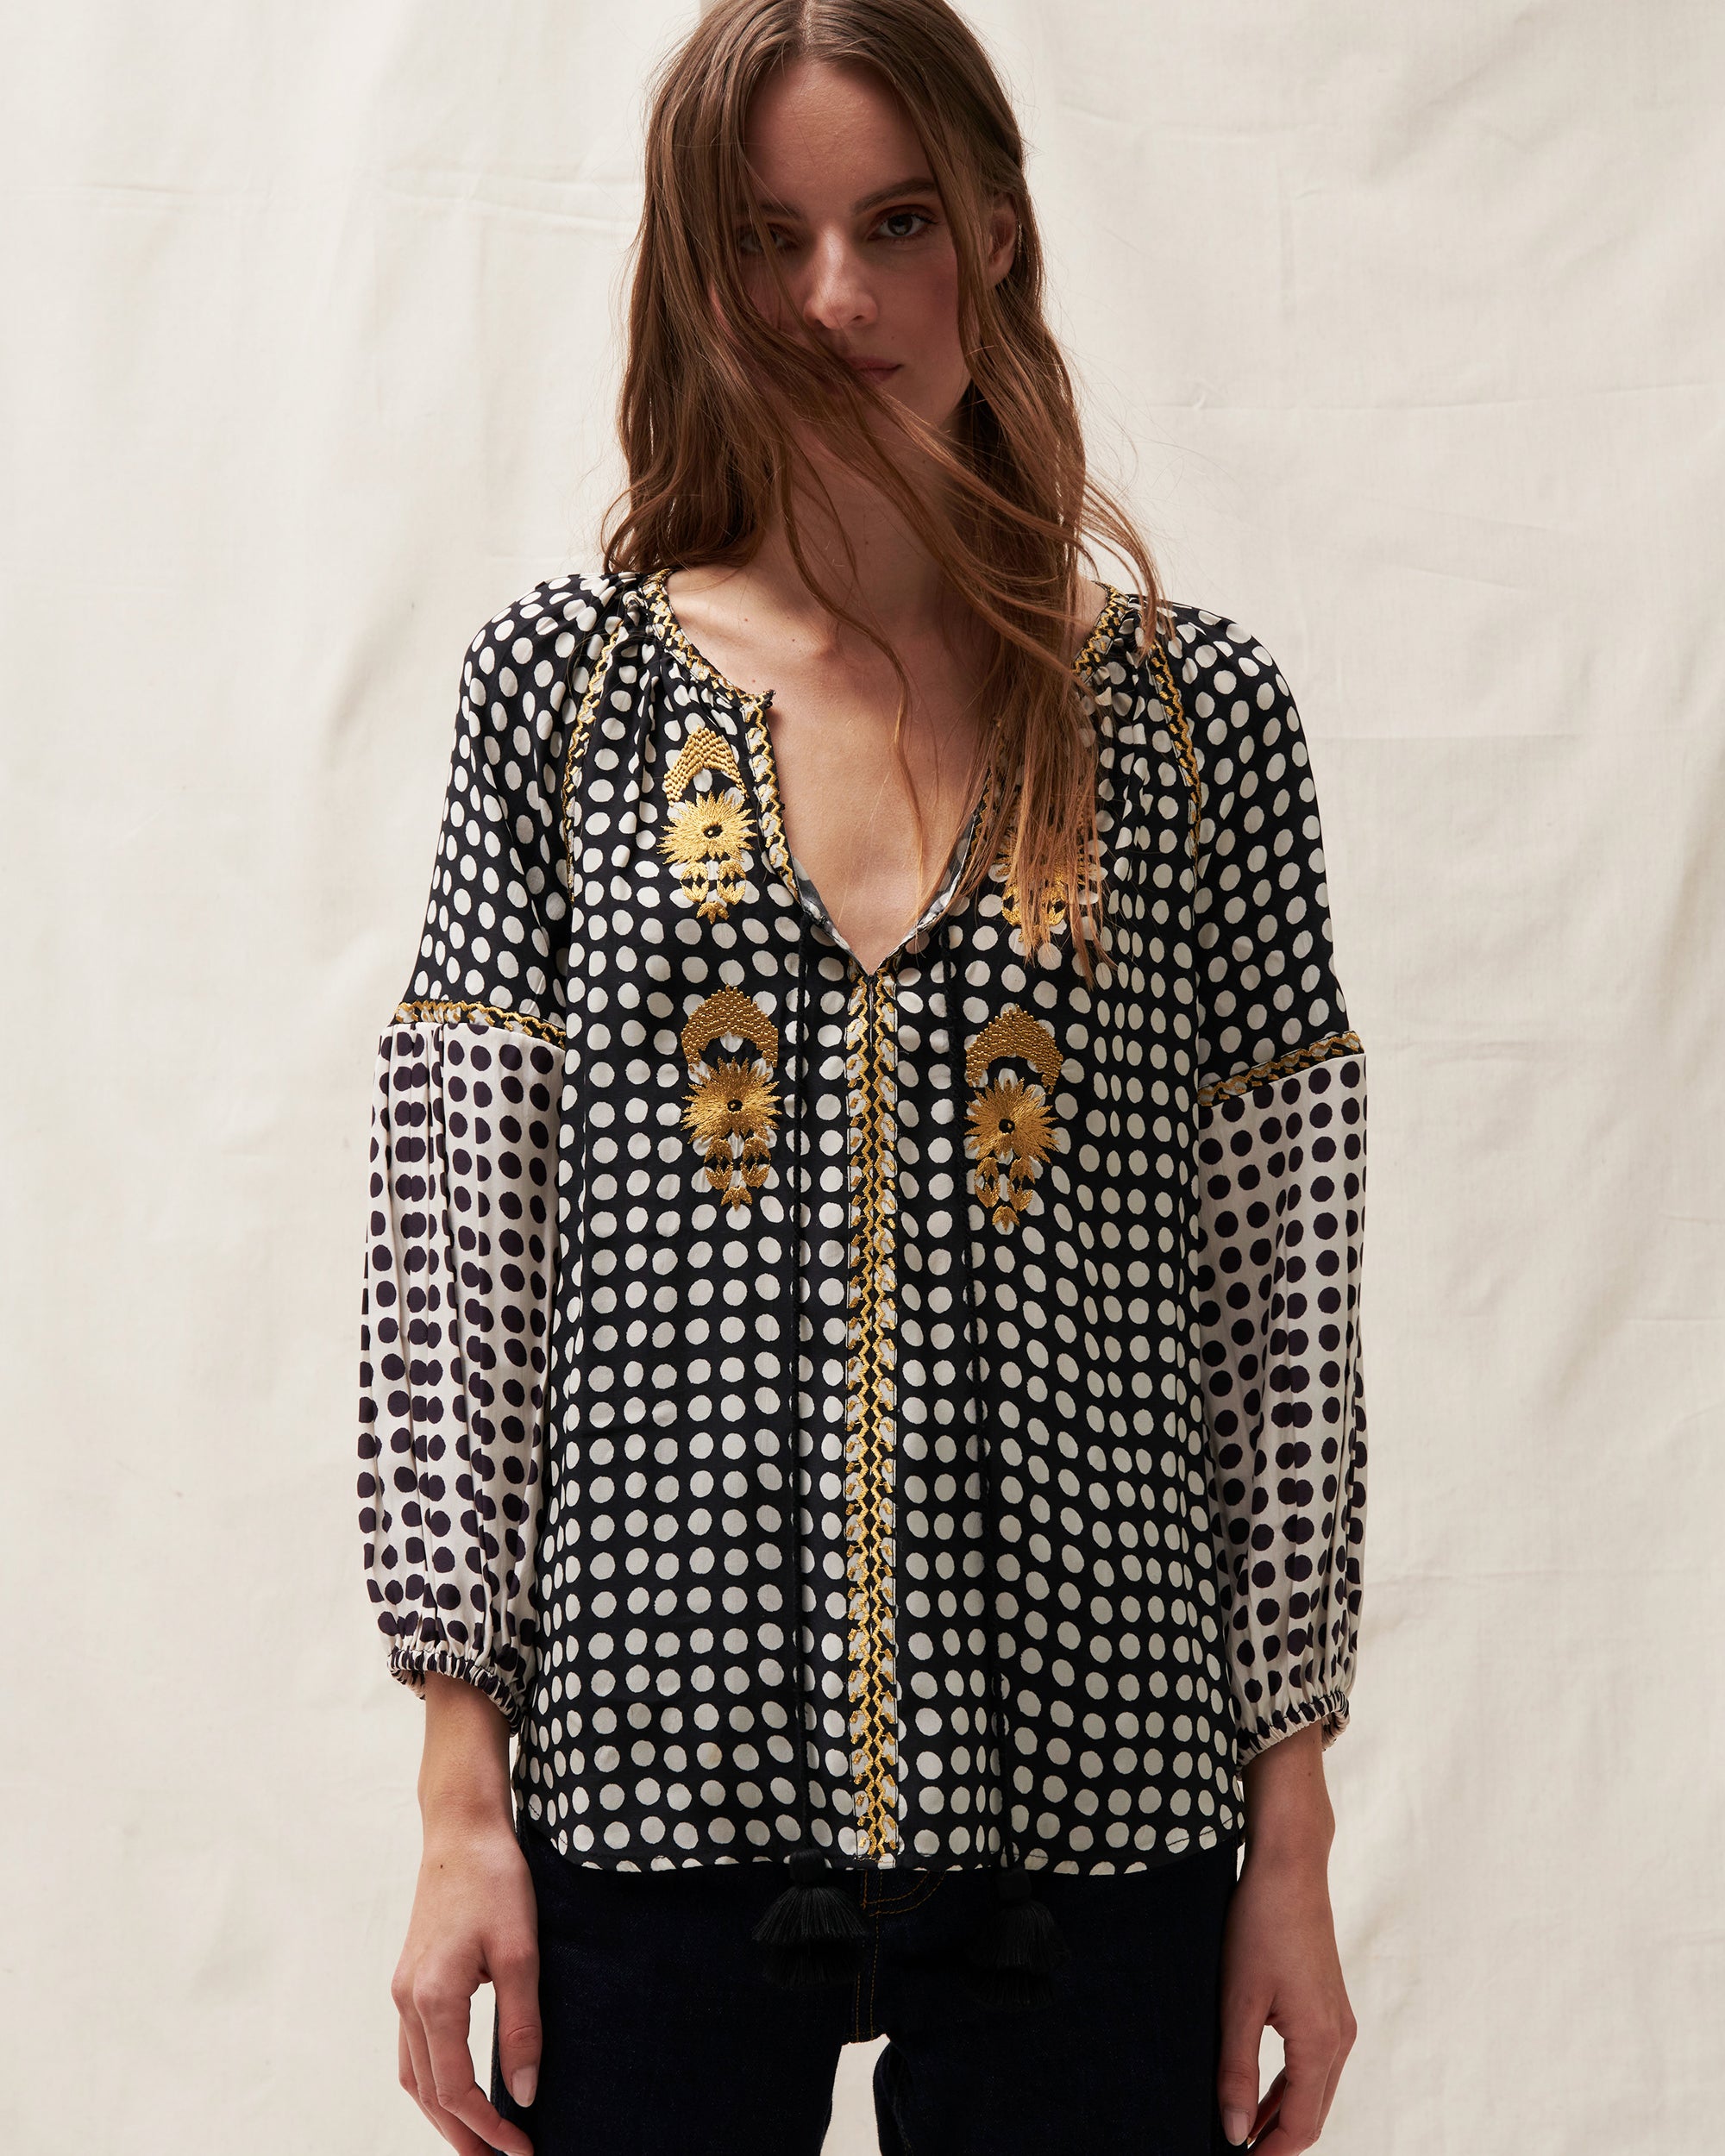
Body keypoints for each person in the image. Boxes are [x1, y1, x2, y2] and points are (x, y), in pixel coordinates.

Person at [354, 3, 1368, 2150]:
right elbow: (460, 1245)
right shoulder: (563, 700)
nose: (836, 296)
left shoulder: (1195, 723)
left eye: (896, 221)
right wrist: (457, 1797)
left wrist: (1290, 1834)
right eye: (770, 236)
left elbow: (1279, 1305)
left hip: (1102, 1789)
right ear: (696, 267)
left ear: (992, 232)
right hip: (649, 1775)